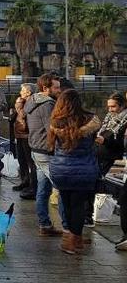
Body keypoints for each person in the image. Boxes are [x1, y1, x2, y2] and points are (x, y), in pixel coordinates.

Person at [47, 89, 101, 255]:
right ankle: (75, 240)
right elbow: (94, 140)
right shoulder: (90, 120)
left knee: (66, 202)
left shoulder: (56, 122)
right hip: (84, 169)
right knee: (79, 205)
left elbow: (50, 146)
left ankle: (70, 238)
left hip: (61, 170)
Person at [26, 73, 66, 236]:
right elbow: (53, 129)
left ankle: (44, 224)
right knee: (63, 188)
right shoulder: (48, 104)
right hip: (46, 151)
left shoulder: (32, 101)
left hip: (36, 150)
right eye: (56, 87)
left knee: (43, 189)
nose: (59, 90)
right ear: (45, 88)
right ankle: (68, 229)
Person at [13, 84, 37, 199]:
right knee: (21, 159)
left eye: (22, 90)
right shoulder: (23, 102)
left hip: (27, 135)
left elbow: (22, 115)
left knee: (30, 161)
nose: (20, 92)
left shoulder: (30, 103)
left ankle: (32, 184)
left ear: (28, 92)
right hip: (19, 134)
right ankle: (24, 181)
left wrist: (18, 105)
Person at [96, 92, 127, 177]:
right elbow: (104, 131)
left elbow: (122, 143)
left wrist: (104, 141)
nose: (110, 110)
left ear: (122, 105)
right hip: (101, 155)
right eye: (109, 107)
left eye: (113, 106)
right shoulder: (109, 116)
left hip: (113, 158)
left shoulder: (125, 120)